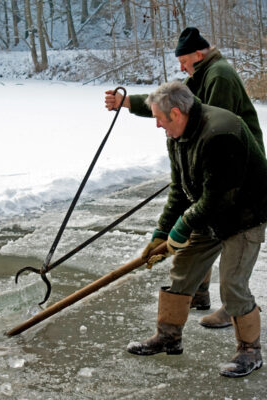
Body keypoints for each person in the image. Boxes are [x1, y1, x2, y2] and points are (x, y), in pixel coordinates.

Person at [105, 27, 265, 329]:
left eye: (183, 60)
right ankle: (180, 319)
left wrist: (180, 225)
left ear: (198, 54)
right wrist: (162, 232)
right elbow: (170, 102)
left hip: (239, 185)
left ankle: (241, 326)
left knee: (231, 278)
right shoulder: (192, 95)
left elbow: (218, 139)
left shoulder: (218, 79)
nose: (180, 66)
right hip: (214, 175)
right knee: (189, 252)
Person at [126, 81, 267, 378]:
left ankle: (250, 352)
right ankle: (168, 337)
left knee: (232, 285)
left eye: (159, 119)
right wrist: (161, 234)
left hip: (244, 216)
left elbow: (218, 196)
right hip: (210, 212)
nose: (157, 126)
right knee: (183, 269)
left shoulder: (220, 134)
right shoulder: (177, 135)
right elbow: (180, 189)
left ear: (176, 113)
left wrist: (182, 228)